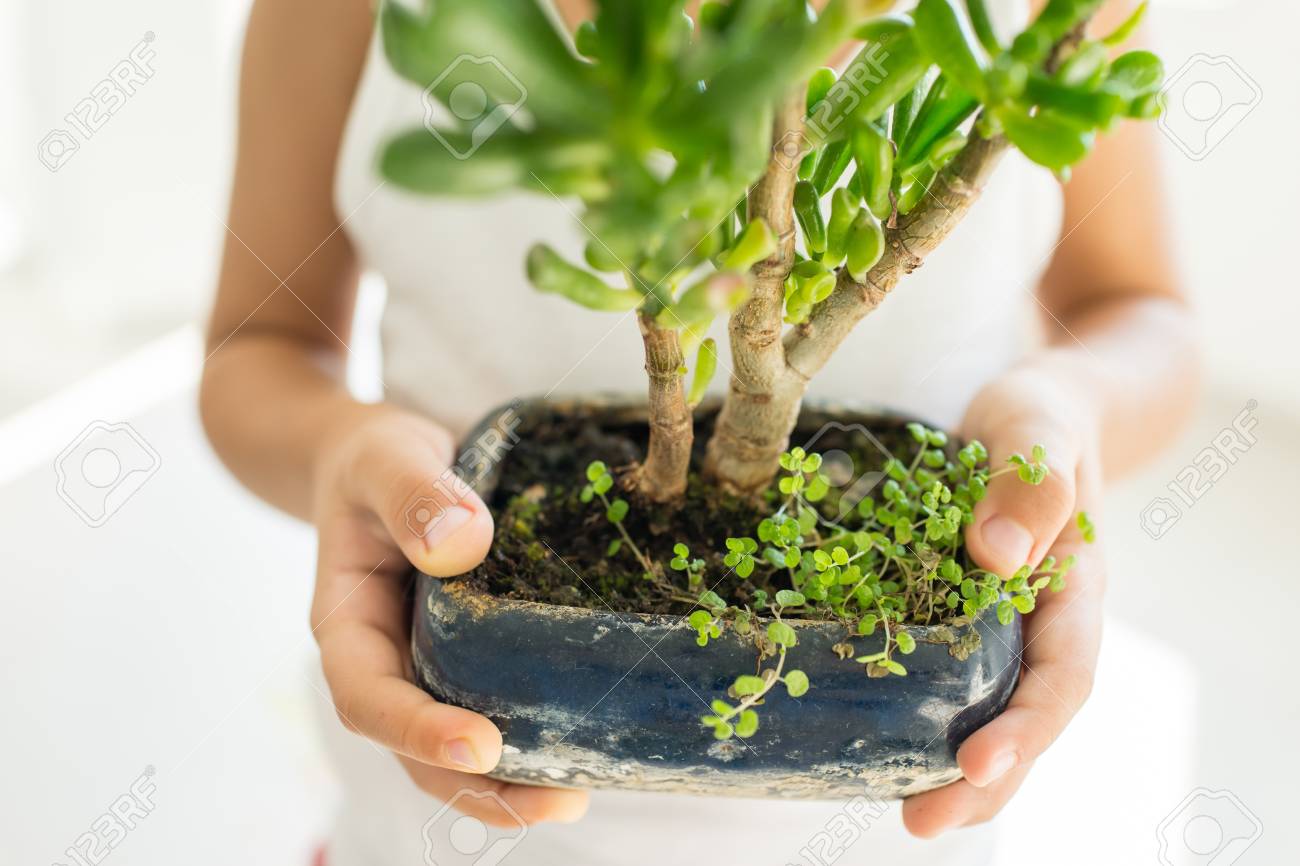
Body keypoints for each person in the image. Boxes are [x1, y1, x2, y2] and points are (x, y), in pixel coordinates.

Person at [200, 0, 1198, 862]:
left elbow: (1138, 309)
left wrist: (1064, 417)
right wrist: (342, 448)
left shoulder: (1050, 25)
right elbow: (260, 345)